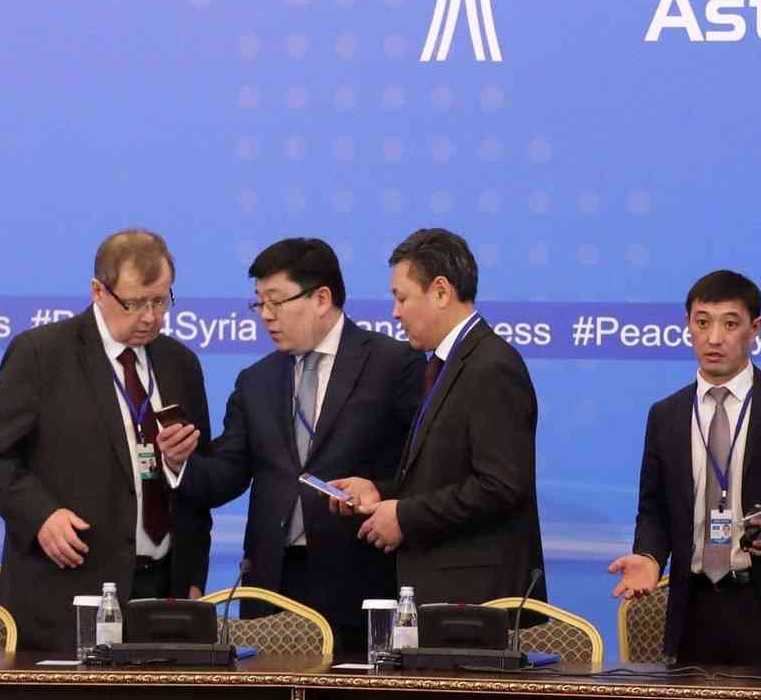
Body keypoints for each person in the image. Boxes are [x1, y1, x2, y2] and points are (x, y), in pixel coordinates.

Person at [160, 238, 422, 655]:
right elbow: (226, 473)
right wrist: (180, 463)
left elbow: (425, 467)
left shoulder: (393, 364)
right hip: (271, 587)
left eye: (276, 301)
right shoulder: (256, 381)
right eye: (259, 303)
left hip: (360, 582)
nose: (266, 315)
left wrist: (382, 493)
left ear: (321, 299)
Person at [0, 230, 213, 651]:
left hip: (162, 594)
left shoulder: (180, 364)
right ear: (98, 291)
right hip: (66, 593)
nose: (150, 317)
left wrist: (192, 574)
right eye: (135, 303)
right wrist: (40, 516)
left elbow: (202, 480)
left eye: (160, 301)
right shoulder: (42, 354)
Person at [606, 270, 761, 666]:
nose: (714, 338)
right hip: (694, 609)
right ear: (688, 325)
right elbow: (654, 508)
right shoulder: (666, 415)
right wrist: (649, 556)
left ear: (755, 328)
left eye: (730, 324)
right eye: (702, 322)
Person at [330, 228, 546, 605]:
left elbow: (501, 485)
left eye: (402, 298)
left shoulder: (491, 366)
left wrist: (405, 516)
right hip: (443, 593)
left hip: (479, 601)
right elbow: (443, 475)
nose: (395, 312)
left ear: (441, 292)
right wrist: (381, 492)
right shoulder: (446, 365)